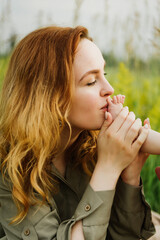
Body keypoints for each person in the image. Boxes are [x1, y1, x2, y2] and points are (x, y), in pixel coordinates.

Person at [0, 26, 155, 240]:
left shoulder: (94, 146)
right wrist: (108, 168)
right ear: (49, 98)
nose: (109, 88)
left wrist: (129, 176)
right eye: (91, 81)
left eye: (104, 74)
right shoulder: (12, 167)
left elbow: (122, 236)